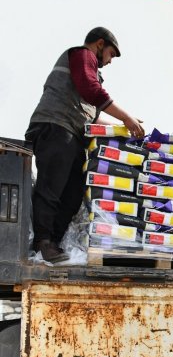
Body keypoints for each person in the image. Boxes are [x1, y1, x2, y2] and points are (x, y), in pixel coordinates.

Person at [25, 27, 145, 263]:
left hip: (70, 131)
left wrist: (123, 129)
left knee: (73, 192)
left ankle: (53, 242)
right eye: (111, 54)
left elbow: (91, 115)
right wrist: (126, 118)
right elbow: (92, 91)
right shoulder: (82, 55)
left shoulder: (88, 69)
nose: (110, 61)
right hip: (55, 126)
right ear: (100, 44)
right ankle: (42, 242)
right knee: (52, 189)